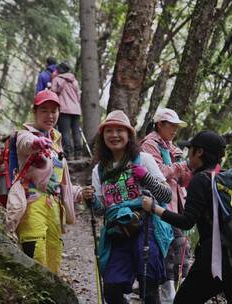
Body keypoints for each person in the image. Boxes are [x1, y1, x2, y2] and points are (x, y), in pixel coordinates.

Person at [142, 130, 232, 304]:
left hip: (215, 262)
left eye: (190, 150)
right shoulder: (231, 180)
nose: (188, 156)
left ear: (200, 152)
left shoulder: (202, 179)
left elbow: (186, 222)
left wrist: (155, 208)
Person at [82, 110, 174, 304]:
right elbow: (101, 211)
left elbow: (166, 195)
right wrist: (90, 200)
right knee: (112, 289)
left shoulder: (144, 159)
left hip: (146, 227)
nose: (114, 135)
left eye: (119, 130)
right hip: (118, 231)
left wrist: (145, 177)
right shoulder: (99, 170)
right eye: (109, 131)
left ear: (129, 135)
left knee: (148, 285)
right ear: (102, 136)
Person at [9, 90, 82, 274]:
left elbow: (60, 183)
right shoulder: (25, 134)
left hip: (54, 208)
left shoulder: (56, 141)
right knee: (35, 255)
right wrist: (36, 143)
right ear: (35, 112)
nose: (50, 115)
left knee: (53, 256)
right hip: (32, 205)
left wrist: (79, 193)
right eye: (44, 110)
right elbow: (25, 143)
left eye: (54, 111)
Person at [140, 108, 192, 303]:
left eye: (177, 127)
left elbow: (183, 179)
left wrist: (185, 167)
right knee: (167, 250)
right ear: (160, 124)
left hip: (177, 204)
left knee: (181, 250)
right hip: (159, 205)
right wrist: (180, 166)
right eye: (172, 126)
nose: (175, 130)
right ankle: (167, 296)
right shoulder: (149, 144)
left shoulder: (171, 146)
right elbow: (158, 172)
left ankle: (179, 294)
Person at [50, 62, 82, 160]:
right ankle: (78, 153)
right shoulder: (74, 81)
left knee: (65, 132)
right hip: (76, 109)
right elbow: (79, 96)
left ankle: (68, 154)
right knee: (76, 131)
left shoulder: (57, 80)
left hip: (64, 109)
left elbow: (53, 94)